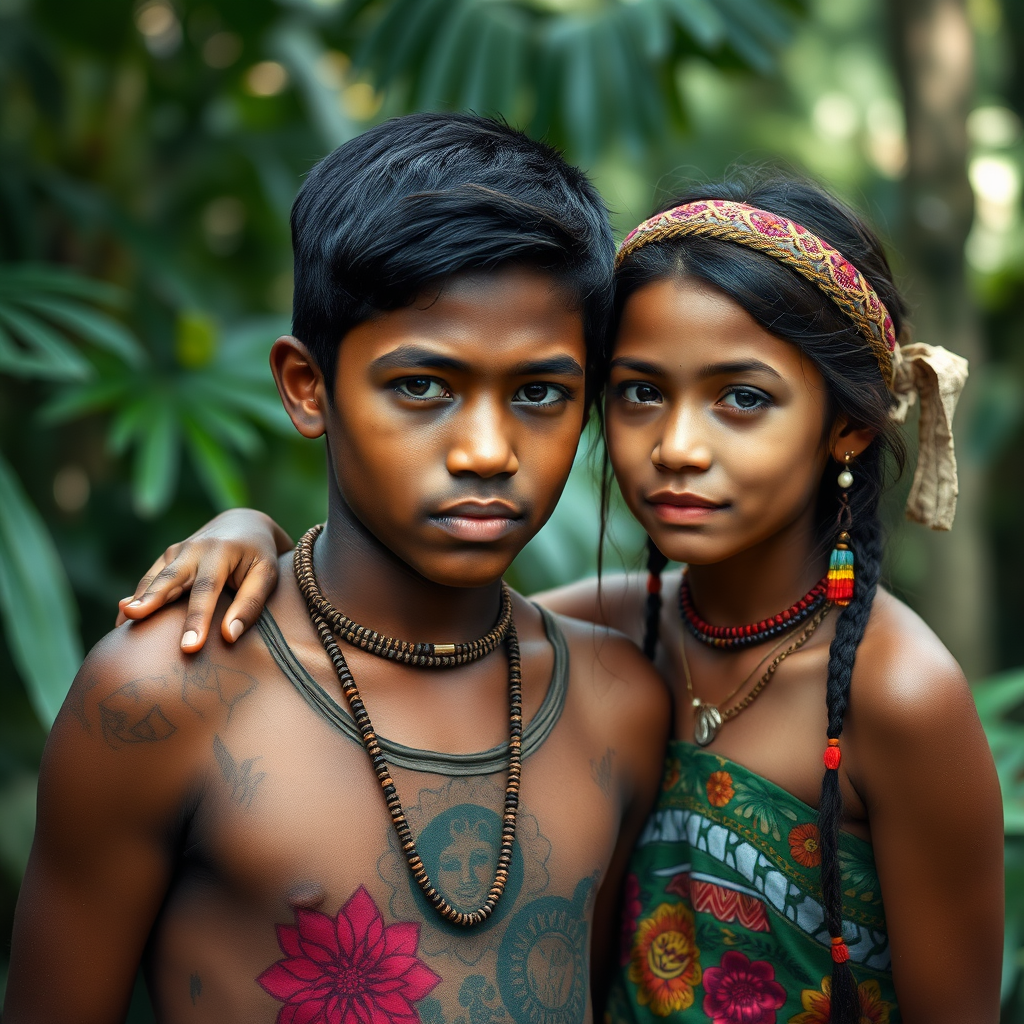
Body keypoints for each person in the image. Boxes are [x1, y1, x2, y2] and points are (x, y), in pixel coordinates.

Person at [123, 175, 1006, 1022]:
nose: (678, 446)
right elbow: (398, 616)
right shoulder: (604, 636)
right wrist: (252, 535)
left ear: (847, 423)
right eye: (641, 393)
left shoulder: (900, 697)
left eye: (742, 398)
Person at [4, 113, 672, 1024]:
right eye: (421, 387)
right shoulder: (164, 695)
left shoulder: (619, 703)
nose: (486, 449)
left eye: (537, 393)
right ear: (306, 388)